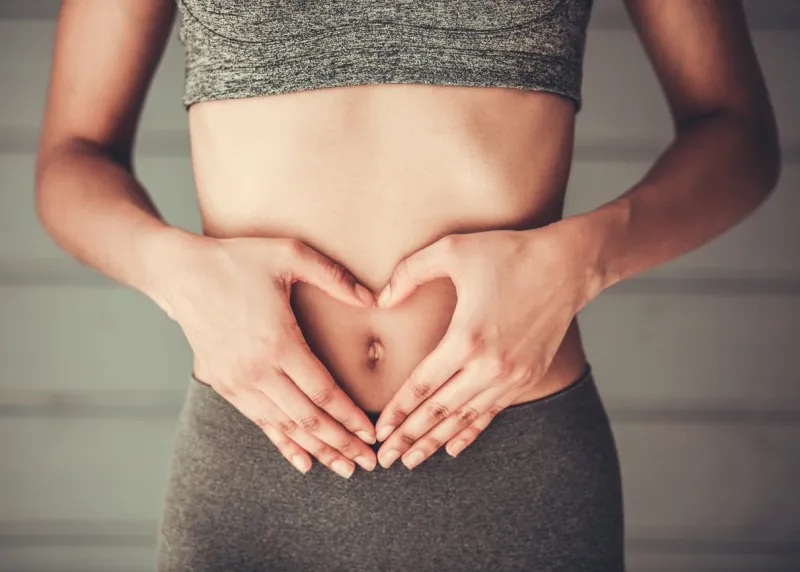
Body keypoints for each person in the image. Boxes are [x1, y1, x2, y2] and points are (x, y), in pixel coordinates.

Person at [34, 0, 780, 570]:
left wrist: (581, 259)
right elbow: (73, 155)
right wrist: (175, 271)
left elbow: (736, 131)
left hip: (515, 471)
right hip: (257, 465)